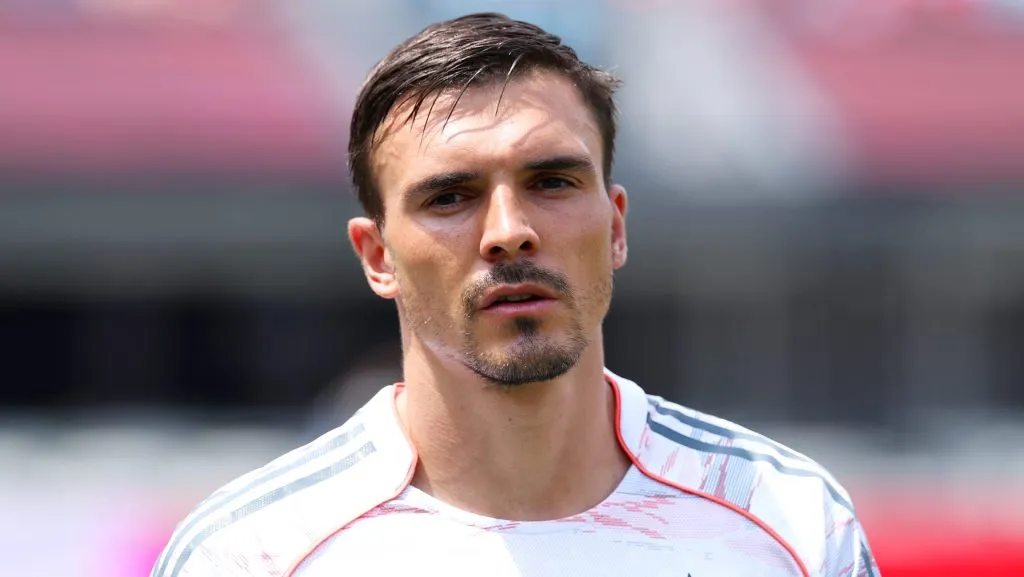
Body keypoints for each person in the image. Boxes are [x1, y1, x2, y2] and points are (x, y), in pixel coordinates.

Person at [152, 12, 880, 577]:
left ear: (617, 226)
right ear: (378, 258)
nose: (509, 231)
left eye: (552, 181)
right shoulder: (251, 552)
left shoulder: (790, 522)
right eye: (450, 197)